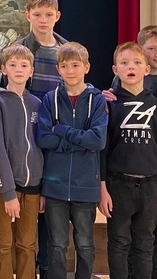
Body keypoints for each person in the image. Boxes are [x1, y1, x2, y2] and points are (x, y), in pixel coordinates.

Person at [103, 25, 157, 279]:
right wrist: (102, 188)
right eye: (124, 63)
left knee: (145, 244)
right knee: (119, 242)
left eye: (137, 62)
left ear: (146, 69)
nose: (130, 67)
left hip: (150, 187)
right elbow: (103, 150)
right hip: (118, 185)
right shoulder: (109, 105)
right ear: (115, 70)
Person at [37, 42, 107, 279]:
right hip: (54, 186)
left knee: (85, 244)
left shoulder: (97, 100)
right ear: (58, 69)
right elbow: (43, 138)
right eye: (64, 66)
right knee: (56, 244)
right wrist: (78, 143)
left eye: (75, 65)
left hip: (85, 185)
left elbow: (97, 140)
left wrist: (62, 130)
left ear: (86, 67)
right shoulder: (50, 99)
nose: (70, 71)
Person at [13, 0, 67, 279]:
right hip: (27, 137)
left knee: (51, 204)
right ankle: (22, 266)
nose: (43, 20)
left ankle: (46, 266)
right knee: (27, 201)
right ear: (28, 16)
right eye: (37, 15)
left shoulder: (67, 50)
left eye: (48, 15)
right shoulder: (19, 50)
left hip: (57, 137)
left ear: (57, 16)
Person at [0, 44, 43, 279]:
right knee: (2, 244)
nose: (18, 70)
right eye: (13, 65)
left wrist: (43, 189)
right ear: (3, 69)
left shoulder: (37, 104)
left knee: (27, 244)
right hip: (5, 187)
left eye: (24, 65)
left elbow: (41, 146)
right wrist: (8, 192)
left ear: (31, 71)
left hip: (33, 187)